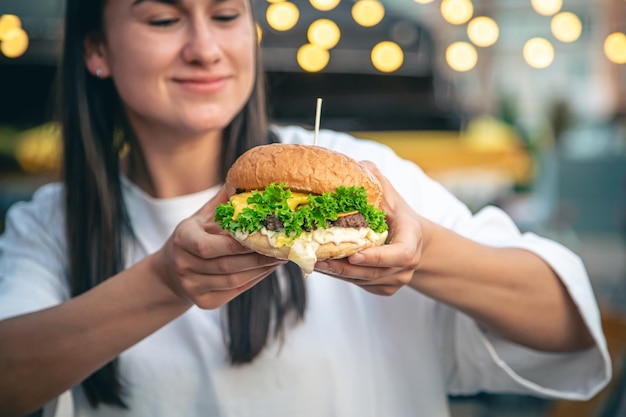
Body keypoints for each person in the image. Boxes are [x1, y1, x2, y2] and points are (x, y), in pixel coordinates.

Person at [0, 0, 611, 416]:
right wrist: (164, 280)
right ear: (96, 50)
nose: (206, 47)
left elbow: (565, 326)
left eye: (226, 14)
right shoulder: (50, 224)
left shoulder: (365, 173)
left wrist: (423, 250)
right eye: (164, 18)